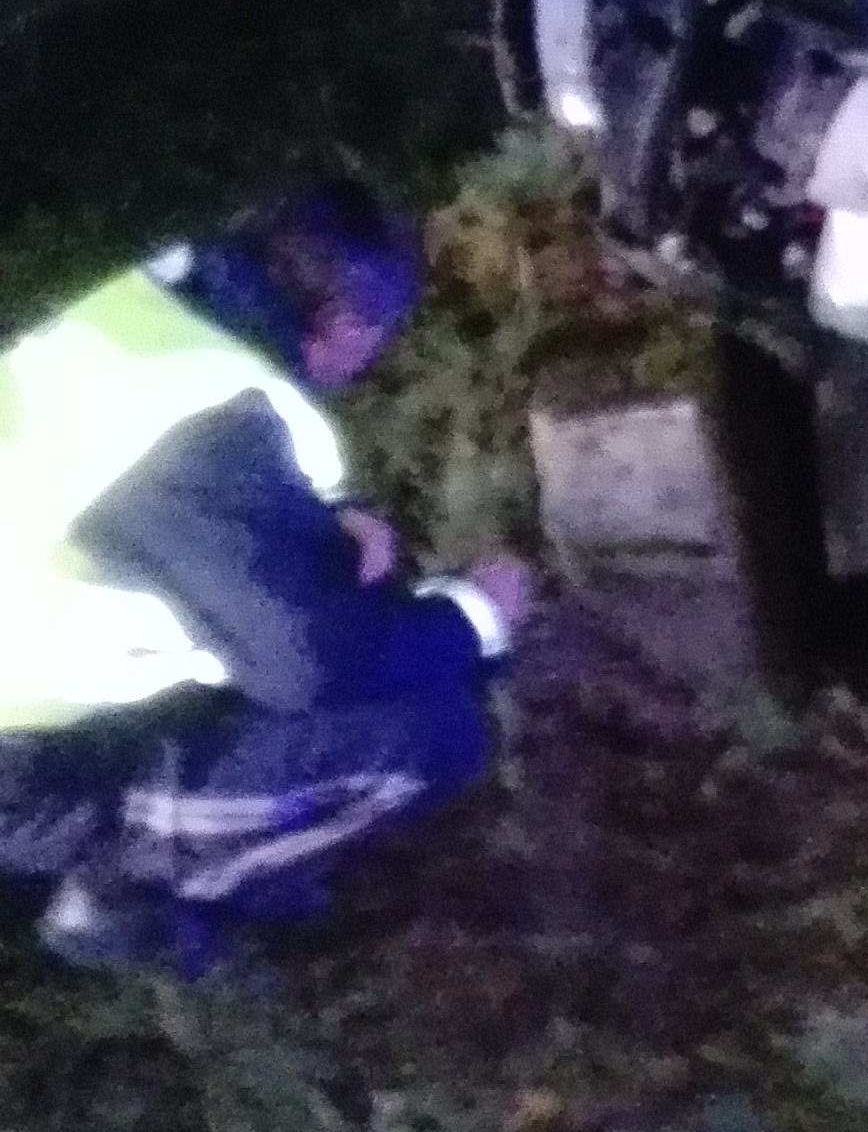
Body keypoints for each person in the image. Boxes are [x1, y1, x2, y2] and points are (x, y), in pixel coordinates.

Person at [0, 181, 533, 976]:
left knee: (345, 634)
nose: (369, 364)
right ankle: (133, 894)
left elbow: (192, 503)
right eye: (379, 339)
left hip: (46, 703)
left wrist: (338, 516)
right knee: (431, 731)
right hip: (34, 774)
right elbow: (315, 667)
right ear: (347, 325)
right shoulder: (192, 414)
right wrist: (478, 616)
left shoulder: (154, 323)